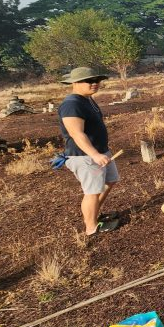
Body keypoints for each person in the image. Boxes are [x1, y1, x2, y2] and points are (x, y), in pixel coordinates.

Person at [58, 67, 120, 237]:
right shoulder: (72, 104)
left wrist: (102, 151)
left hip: (100, 151)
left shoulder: (87, 99)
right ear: (75, 83)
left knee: (111, 180)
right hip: (84, 156)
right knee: (92, 192)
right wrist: (95, 154)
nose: (95, 84)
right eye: (89, 81)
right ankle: (91, 228)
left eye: (97, 80)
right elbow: (76, 133)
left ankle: (93, 213)